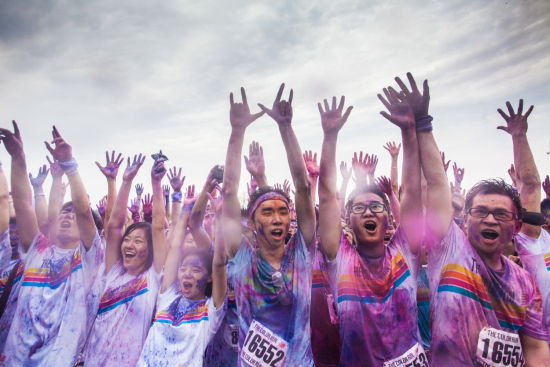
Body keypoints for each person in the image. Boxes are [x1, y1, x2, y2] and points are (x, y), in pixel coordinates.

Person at [407, 75, 550, 365]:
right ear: (466, 218)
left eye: (500, 214)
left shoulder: (524, 283)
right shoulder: (450, 249)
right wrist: (423, 124)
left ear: (516, 226)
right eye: (480, 212)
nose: (489, 220)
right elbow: (436, 183)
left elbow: (535, 347)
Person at [318, 85, 424, 366]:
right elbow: (327, 197)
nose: (369, 212)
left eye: (376, 207)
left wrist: (409, 133)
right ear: (348, 220)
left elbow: (412, 191)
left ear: (389, 217)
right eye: (359, 208)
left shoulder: (405, 251)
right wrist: (330, 136)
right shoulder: (340, 257)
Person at [222, 85, 316, 366]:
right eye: (267, 212)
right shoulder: (241, 255)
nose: (277, 219)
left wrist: (286, 127)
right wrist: (237, 131)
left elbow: (303, 186)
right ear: (251, 221)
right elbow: (228, 191)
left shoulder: (301, 251)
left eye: (283, 212)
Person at [0, 123, 102, 367]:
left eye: (73, 214)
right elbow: (23, 204)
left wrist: (70, 166)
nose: (68, 216)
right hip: (14, 359)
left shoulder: (88, 258)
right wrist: (18, 157)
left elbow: (84, 211)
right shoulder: (38, 249)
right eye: (64, 213)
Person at [81, 154, 167, 367]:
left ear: (151, 249)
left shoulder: (153, 277)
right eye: (127, 240)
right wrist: (125, 181)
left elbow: (157, 226)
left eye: (138, 241)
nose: (129, 245)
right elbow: (114, 226)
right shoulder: (113, 270)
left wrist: (156, 184)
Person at [137, 197, 226, 367]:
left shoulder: (210, 311)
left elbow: (220, 262)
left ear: (209, 277)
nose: (187, 274)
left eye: (196, 270)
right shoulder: (167, 298)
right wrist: (184, 212)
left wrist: (220, 218)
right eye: (183, 268)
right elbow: (174, 248)